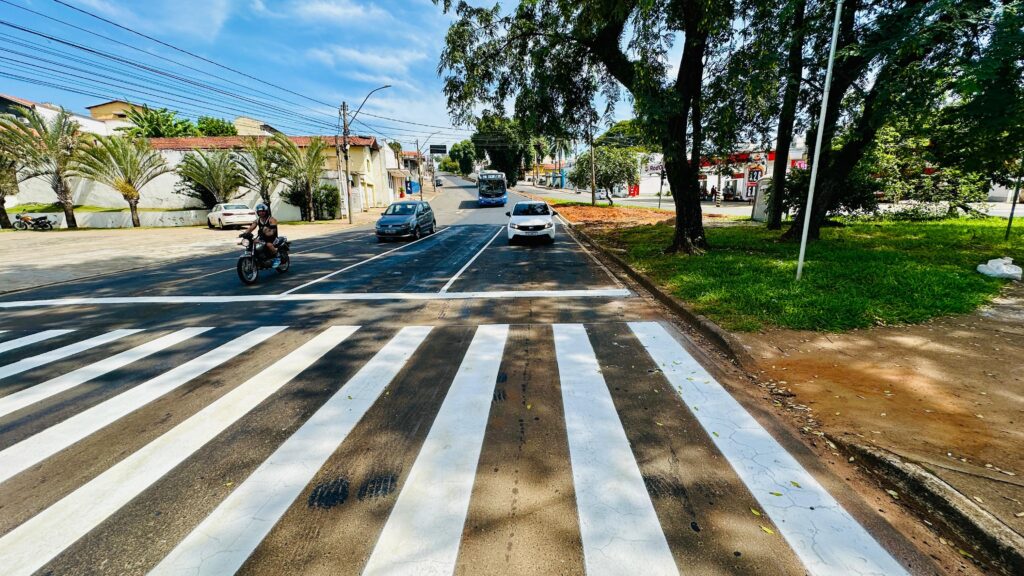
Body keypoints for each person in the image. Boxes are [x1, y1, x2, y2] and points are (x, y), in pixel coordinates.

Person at [244, 203, 282, 267]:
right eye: (259, 212)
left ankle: (278, 257)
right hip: (263, 238)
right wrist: (245, 233)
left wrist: (268, 231)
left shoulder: (271, 219)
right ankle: (259, 258)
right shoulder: (257, 220)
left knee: (268, 245)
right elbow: (251, 228)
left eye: (263, 211)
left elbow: (273, 231)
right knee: (253, 243)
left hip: (272, 238)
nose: (261, 213)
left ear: (266, 211)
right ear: (257, 212)